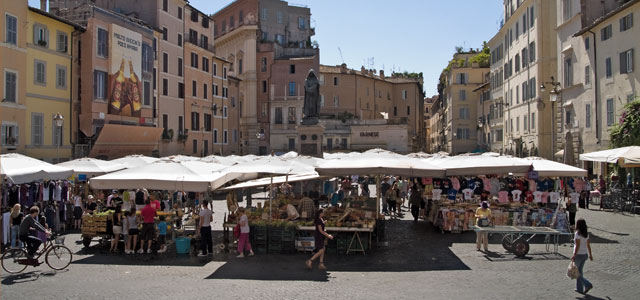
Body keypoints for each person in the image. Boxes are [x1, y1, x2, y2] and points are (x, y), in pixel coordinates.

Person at [572, 218, 594, 294]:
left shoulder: (577, 234)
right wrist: (590, 255)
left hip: (578, 255)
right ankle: (579, 289)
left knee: (575, 273)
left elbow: (577, 246)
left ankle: (587, 284)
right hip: (585, 254)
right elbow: (588, 245)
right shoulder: (586, 234)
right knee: (580, 271)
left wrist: (574, 255)